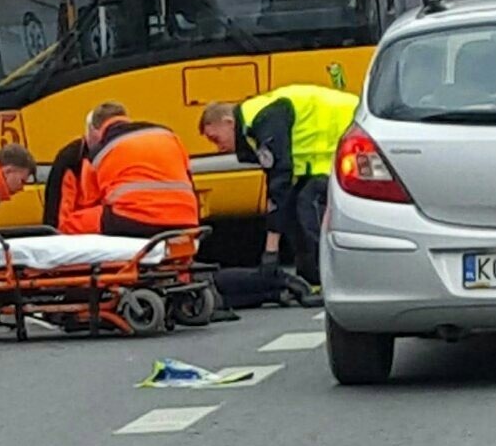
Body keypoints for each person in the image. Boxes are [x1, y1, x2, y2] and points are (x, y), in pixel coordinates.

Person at [200, 83, 359, 301]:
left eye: (216, 138)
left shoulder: (266, 118)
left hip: (355, 136)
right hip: (329, 155)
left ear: (229, 123)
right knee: (298, 205)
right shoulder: (257, 120)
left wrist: (271, 251)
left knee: (308, 205)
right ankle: (312, 279)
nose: (218, 148)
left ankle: (333, 281)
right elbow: (279, 181)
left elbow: (279, 178)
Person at [56, 103, 200, 237]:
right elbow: (190, 181)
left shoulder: (101, 151)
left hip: (133, 219)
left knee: (69, 225)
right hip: (187, 219)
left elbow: (90, 201)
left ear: (96, 130)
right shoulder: (169, 136)